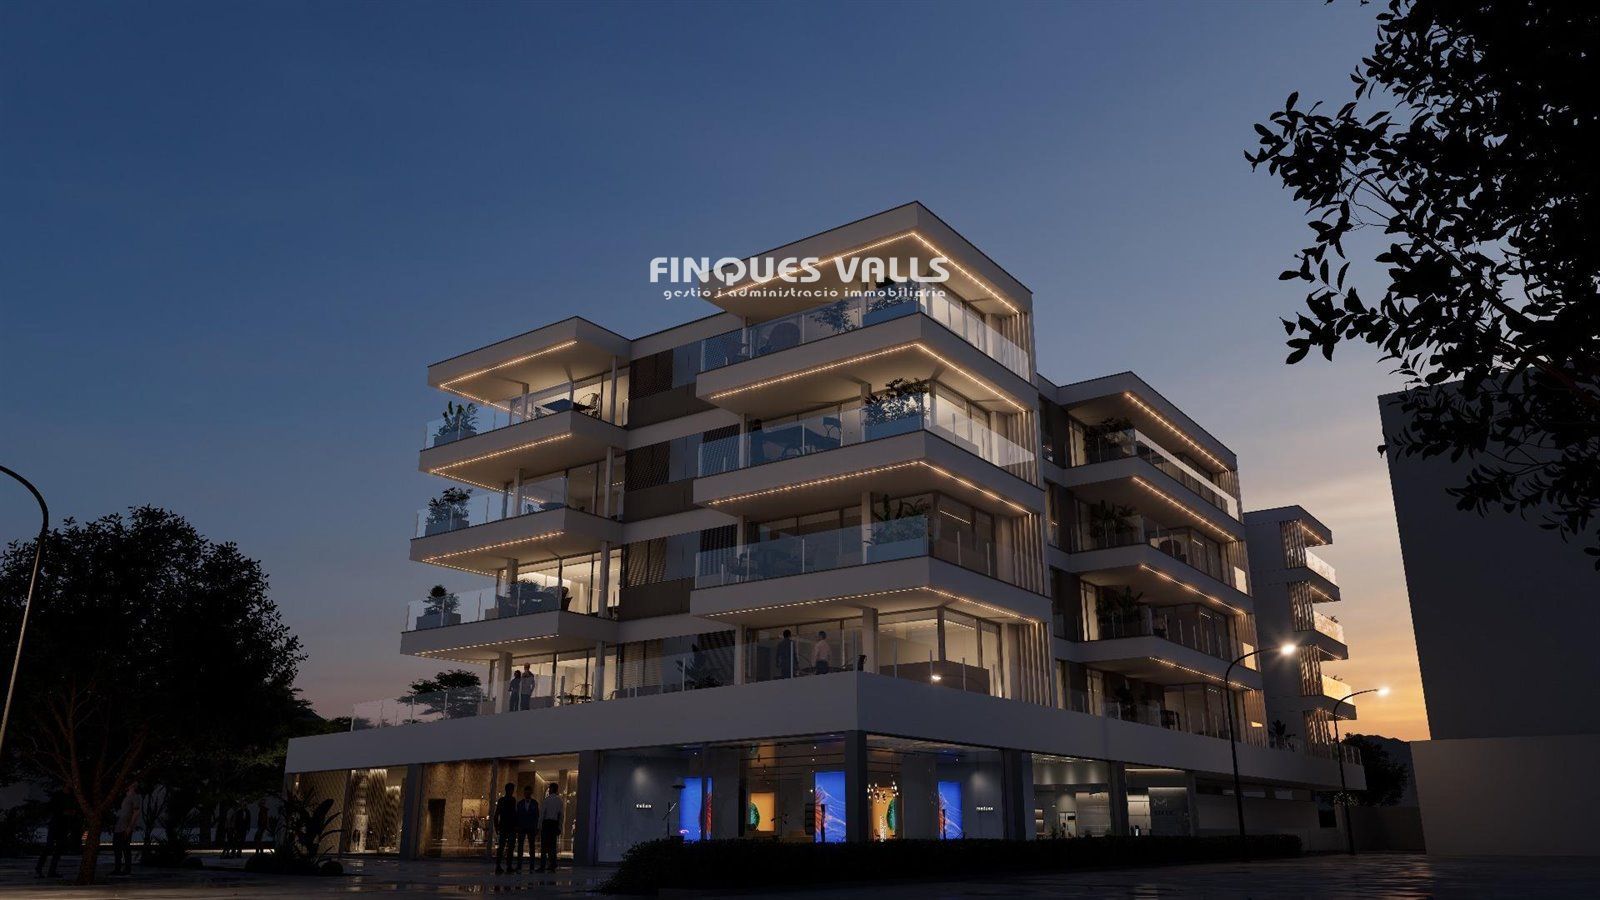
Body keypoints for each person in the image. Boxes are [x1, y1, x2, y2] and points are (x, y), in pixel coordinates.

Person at [35, 790, 73, 879]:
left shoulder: (70, 797)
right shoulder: (59, 797)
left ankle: (48, 870)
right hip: (56, 824)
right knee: (50, 847)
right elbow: (52, 808)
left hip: (62, 825)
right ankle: (41, 868)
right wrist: (64, 812)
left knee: (57, 849)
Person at [111, 783, 141, 875]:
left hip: (125, 826)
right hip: (119, 826)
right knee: (117, 848)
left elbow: (136, 812)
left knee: (125, 848)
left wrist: (130, 827)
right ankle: (117, 868)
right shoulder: (125, 797)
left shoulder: (135, 797)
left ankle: (126, 869)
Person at [537, 783, 564, 873]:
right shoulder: (559, 800)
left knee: (544, 846)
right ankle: (552, 865)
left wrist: (539, 826)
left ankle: (543, 866)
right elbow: (561, 815)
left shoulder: (547, 800)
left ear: (551, 789)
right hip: (554, 824)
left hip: (546, 823)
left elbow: (542, 814)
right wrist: (559, 827)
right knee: (552, 846)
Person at [492, 783, 517, 874]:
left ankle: (502, 865)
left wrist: (496, 826)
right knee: (507, 847)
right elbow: (513, 814)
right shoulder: (509, 800)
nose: (512, 791)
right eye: (512, 789)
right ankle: (506, 865)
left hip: (506, 826)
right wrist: (496, 826)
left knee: (504, 847)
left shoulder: (504, 800)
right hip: (508, 826)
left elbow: (497, 814)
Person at [514, 785, 539, 872]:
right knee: (520, 847)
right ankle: (519, 865)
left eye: (528, 792)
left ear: (531, 793)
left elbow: (537, 816)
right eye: (526, 792)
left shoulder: (535, 803)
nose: (527, 794)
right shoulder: (520, 803)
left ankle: (532, 866)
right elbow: (517, 816)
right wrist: (517, 826)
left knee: (532, 847)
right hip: (522, 827)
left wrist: (536, 827)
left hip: (531, 827)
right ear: (524, 793)